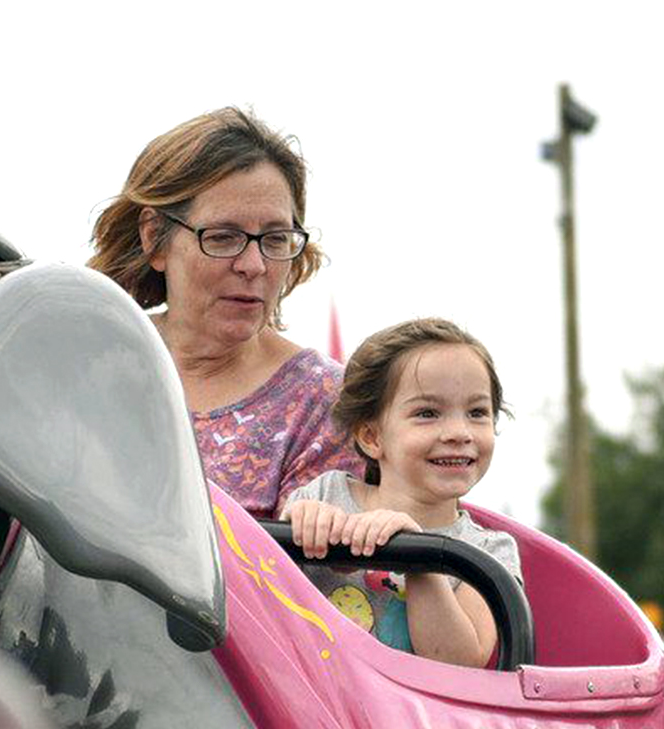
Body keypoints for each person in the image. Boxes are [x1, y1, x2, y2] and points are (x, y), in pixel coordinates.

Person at [89, 108, 364, 518]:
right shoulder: (84, 364)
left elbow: (315, 582)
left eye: (275, 239)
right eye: (223, 237)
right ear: (154, 238)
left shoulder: (326, 403)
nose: (254, 264)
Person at [281, 318, 521, 668]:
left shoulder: (489, 553)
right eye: (427, 413)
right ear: (372, 437)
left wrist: (418, 559)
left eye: (477, 412)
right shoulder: (325, 494)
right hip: (311, 708)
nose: (459, 432)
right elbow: (267, 597)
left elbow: (461, 663)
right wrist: (301, 527)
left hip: (414, 721)